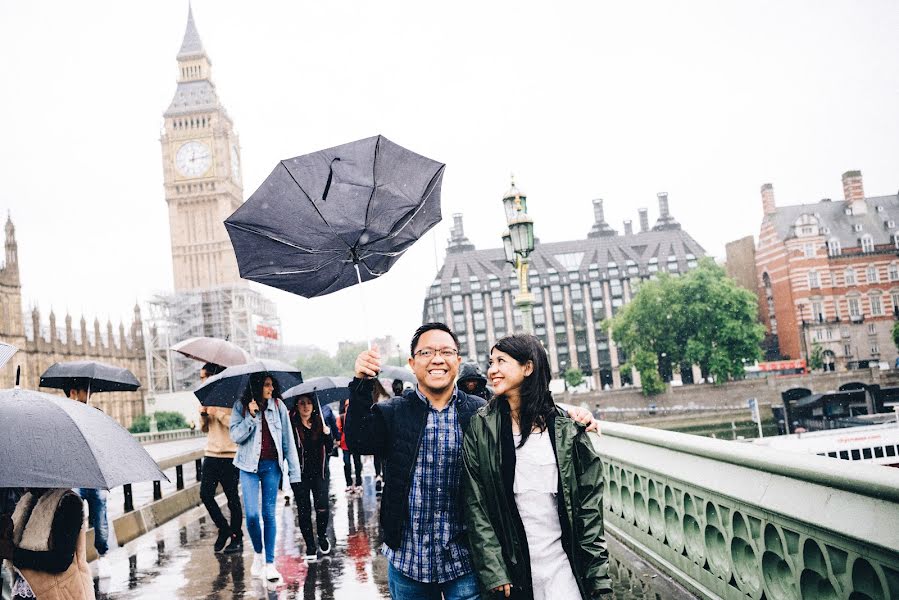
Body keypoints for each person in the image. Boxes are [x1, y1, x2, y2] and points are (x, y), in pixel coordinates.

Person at [345, 322, 598, 600]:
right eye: (427, 352)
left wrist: (570, 414)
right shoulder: (394, 412)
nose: (437, 359)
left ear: (458, 360)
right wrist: (361, 382)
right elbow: (357, 440)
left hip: (464, 562)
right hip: (409, 561)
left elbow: (525, 405)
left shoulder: (480, 413)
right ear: (412, 363)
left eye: (446, 352)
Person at [462, 334, 611, 599]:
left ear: (528, 368)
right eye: (491, 362)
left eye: (501, 361)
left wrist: (599, 581)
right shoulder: (481, 427)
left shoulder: (567, 429)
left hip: (563, 567)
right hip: (514, 572)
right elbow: (477, 504)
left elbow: (589, 515)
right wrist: (494, 569)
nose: (492, 370)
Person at [230, 373, 302, 583]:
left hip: (272, 467)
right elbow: (235, 437)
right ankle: (259, 554)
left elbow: (288, 441)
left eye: (272, 385)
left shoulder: (278, 407)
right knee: (252, 515)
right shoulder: (240, 407)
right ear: (257, 386)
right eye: (267, 385)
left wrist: (294, 473)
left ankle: (270, 564)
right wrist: (251, 417)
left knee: (268, 514)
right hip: (247, 466)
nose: (271, 389)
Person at [0, 488, 94, 600]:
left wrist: (13, 553)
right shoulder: (27, 500)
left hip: (59, 593)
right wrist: (6, 535)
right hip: (25, 591)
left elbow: (61, 560)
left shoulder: (68, 501)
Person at [62, 382, 110, 568]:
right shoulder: (64, 416)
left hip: (95, 476)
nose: (89, 394)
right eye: (85, 391)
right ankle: (74, 559)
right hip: (75, 477)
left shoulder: (95, 413)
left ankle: (103, 555)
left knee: (100, 518)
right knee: (72, 519)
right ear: (74, 392)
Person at [197, 362, 243, 555]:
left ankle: (237, 537)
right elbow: (204, 428)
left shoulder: (232, 398)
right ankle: (224, 529)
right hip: (211, 453)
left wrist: (220, 413)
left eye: (203, 377)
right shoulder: (205, 398)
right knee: (205, 495)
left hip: (230, 454)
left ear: (213, 376)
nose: (201, 381)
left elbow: (237, 427)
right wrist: (204, 415)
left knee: (232, 498)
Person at [288, 393, 333, 563]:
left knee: (322, 507)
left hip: (319, 473)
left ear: (314, 406)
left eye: (308, 403)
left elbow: (329, 449)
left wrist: (327, 434)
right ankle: (310, 545)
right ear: (297, 406)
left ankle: (321, 536)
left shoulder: (320, 422)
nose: (306, 407)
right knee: (303, 510)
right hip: (300, 474)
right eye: (301, 403)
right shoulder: (292, 425)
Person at [335, 401, 363, 495]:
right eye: (347, 406)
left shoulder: (358, 417)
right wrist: (338, 439)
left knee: (357, 464)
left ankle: (359, 483)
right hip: (345, 445)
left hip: (356, 444)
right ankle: (349, 484)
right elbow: (338, 429)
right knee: (347, 464)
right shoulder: (342, 417)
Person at [370, 380, 390, 495]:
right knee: (385, 458)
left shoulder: (371, 400)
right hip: (386, 431)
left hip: (375, 431)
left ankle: (378, 475)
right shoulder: (386, 397)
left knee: (377, 456)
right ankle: (385, 479)